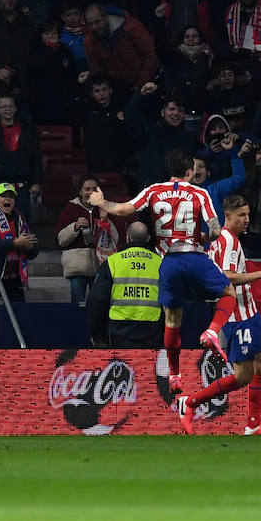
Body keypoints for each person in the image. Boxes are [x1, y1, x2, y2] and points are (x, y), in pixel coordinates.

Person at [87, 149, 231, 397]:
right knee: (228, 291)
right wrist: (206, 237)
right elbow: (216, 230)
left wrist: (102, 203)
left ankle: (174, 373)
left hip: (168, 262)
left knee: (173, 319)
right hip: (194, 256)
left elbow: (123, 210)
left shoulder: (153, 191)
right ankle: (211, 330)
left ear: (169, 171)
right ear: (189, 172)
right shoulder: (200, 193)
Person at [174, 195, 261, 435]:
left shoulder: (228, 240)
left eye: (248, 215)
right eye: (242, 215)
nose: (247, 220)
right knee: (243, 376)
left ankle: (253, 425)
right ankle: (190, 402)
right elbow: (227, 276)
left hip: (250, 313)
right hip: (236, 316)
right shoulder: (227, 241)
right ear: (228, 216)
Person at [87, 221, 164, 350]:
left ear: (127, 237)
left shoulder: (113, 262)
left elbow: (97, 300)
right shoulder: (161, 263)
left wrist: (96, 334)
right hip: (152, 333)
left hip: (119, 333)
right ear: (148, 238)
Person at [57, 174, 120, 307]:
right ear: (80, 191)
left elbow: (115, 239)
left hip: (100, 267)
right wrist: (75, 227)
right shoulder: (71, 209)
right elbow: (61, 239)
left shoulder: (104, 208)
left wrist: (106, 222)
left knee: (98, 306)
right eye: (87, 189)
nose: (91, 192)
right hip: (77, 268)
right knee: (77, 306)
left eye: (94, 189)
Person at [0, 182, 39, 302]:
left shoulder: (20, 218)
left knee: (19, 314)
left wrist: (30, 247)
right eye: (3, 195)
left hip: (15, 278)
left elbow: (33, 251)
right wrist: (15, 243)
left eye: (11, 196)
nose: (8, 199)